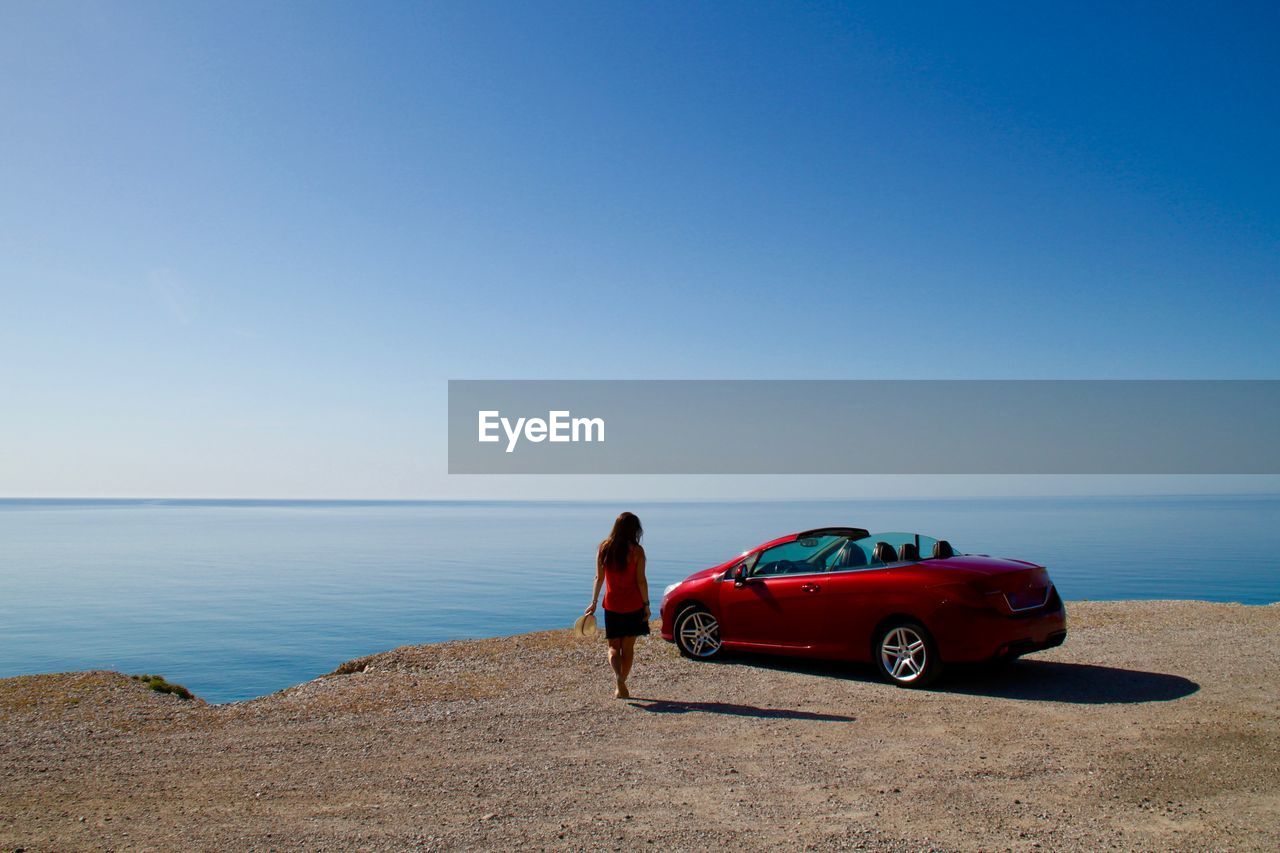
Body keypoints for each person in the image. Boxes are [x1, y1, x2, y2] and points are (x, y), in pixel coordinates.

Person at [585, 511, 650, 699]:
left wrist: (594, 602)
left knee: (613, 647)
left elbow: (599, 578)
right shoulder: (637, 552)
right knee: (628, 648)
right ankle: (622, 682)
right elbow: (641, 581)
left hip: (612, 605)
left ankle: (618, 677)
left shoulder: (604, 548)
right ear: (634, 529)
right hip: (633, 605)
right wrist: (646, 605)